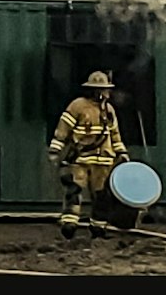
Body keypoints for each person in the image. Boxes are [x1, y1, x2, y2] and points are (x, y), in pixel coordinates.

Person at [48, 70, 130, 239]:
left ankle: (98, 227)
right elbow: (63, 128)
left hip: (104, 161)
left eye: (104, 89)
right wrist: (56, 149)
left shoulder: (108, 110)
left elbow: (115, 134)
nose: (102, 93)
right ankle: (69, 224)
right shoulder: (77, 106)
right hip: (80, 159)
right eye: (98, 89)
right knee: (74, 190)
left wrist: (121, 152)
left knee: (102, 196)